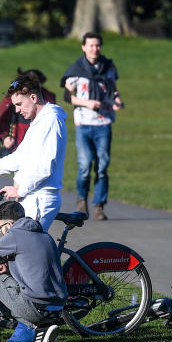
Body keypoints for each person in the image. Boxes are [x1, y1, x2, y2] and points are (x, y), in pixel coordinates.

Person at [0, 70, 66, 231]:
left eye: (19, 104)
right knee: (16, 250)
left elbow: (44, 166)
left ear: (34, 98)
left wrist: (19, 190)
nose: (16, 110)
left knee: (23, 251)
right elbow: (19, 158)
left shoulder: (50, 120)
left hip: (39, 199)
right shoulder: (38, 122)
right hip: (30, 196)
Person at [0, 200, 67, 342]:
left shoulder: (14, 235)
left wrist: (0, 263)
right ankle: (42, 329)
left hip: (36, 308)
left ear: (9, 225)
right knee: (6, 297)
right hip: (57, 309)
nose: (0, 232)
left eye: (0, 228)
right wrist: (7, 267)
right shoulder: (44, 234)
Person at [60, 32, 122, 221]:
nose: (94, 49)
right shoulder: (77, 69)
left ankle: (99, 206)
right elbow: (67, 96)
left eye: (97, 45)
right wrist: (87, 103)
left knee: (102, 166)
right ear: (83, 47)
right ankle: (81, 200)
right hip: (84, 123)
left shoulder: (108, 67)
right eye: (91, 45)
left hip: (103, 123)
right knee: (85, 165)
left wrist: (117, 101)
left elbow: (113, 89)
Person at [0, 67, 57, 157]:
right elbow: (4, 116)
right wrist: (5, 137)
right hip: (18, 133)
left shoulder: (50, 108)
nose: (17, 109)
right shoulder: (15, 95)